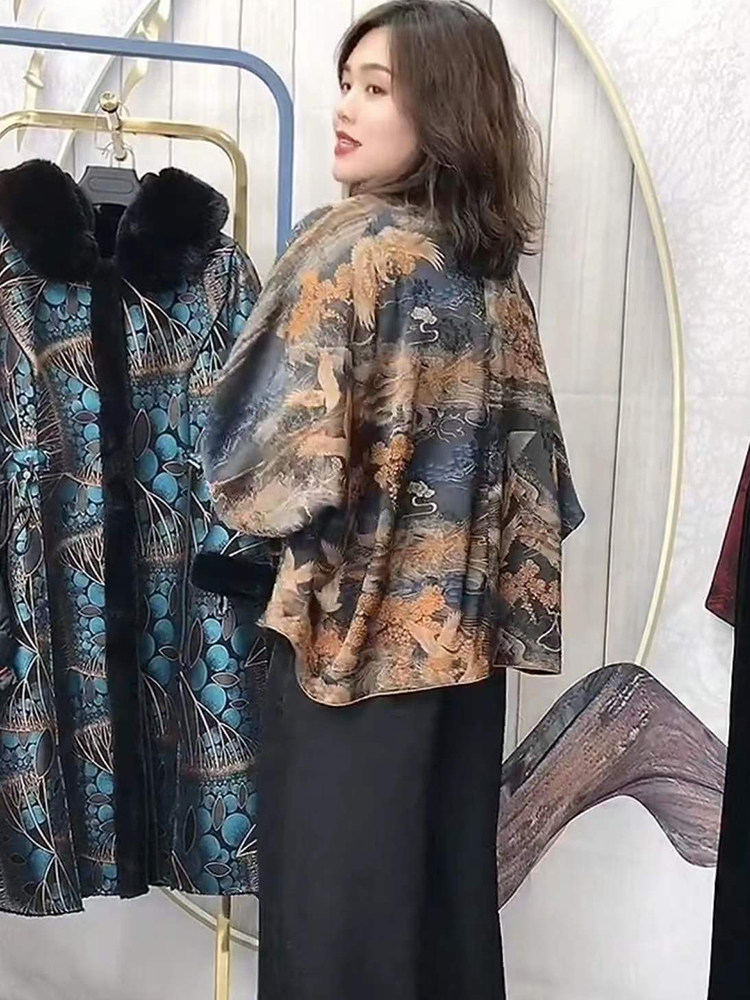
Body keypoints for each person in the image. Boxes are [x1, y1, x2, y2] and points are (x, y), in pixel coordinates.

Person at [203, 2, 583, 997]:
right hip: (463, 668)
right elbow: (539, 487)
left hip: (348, 659)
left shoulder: (344, 250)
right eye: (347, 83)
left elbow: (256, 474)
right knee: (443, 926)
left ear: (443, 110)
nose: (345, 108)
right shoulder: (494, 277)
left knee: (334, 936)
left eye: (376, 89)